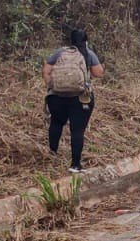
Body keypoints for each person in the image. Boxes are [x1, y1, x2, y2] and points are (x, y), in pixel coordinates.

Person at [42, 28, 104, 173]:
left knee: (56, 124)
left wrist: (53, 85)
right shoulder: (88, 53)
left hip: (56, 97)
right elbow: (98, 73)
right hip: (80, 98)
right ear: (86, 40)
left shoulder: (59, 52)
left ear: (70, 40)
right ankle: (75, 165)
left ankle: (52, 155)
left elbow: (46, 71)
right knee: (77, 130)